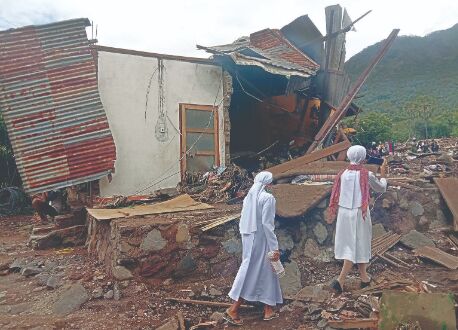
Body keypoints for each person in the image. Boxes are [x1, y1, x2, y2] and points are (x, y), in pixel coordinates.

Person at [225, 171, 282, 326]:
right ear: (268, 184)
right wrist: (274, 247)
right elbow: (267, 225)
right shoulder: (268, 198)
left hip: (249, 237)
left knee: (263, 269)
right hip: (261, 239)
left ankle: (268, 308)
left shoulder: (249, 198)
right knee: (258, 270)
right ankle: (234, 308)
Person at [328, 145, 387, 293]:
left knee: (353, 243)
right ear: (363, 157)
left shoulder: (342, 173)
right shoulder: (367, 174)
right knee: (358, 243)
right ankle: (340, 280)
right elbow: (381, 188)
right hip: (360, 212)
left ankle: (364, 278)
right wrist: (384, 175)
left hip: (344, 212)